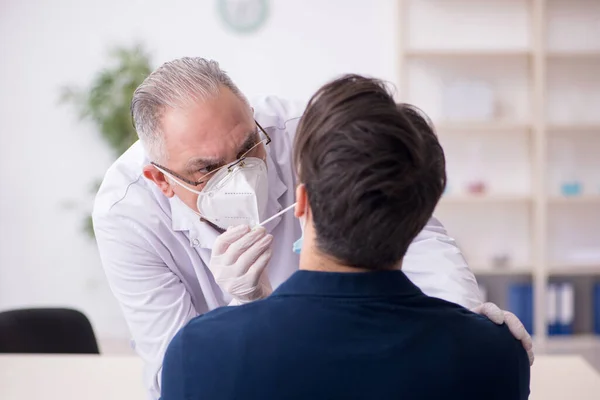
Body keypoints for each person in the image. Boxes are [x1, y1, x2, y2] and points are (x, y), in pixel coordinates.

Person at [92, 57, 533, 398]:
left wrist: (462, 313)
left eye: (249, 147)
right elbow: (176, 374)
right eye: (208, 169)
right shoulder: (127, 212)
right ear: (160, 180)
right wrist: (238, 308)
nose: (241, 176)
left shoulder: (304, 132)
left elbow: (409, 223)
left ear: (251, 113)